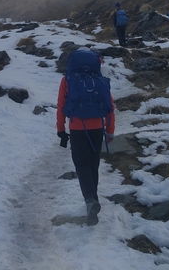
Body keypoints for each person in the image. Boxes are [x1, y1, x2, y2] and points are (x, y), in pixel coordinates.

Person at [56, 49, 116, 226]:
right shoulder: (99, 79)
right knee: (93, 164)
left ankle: (90, 201)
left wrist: (61, 129)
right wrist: (110, 131)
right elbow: (110, 105)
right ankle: (93, 199)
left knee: (81, 165)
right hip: (97, 128)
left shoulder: (67, 79)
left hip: (77, 128)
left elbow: (61, 106)